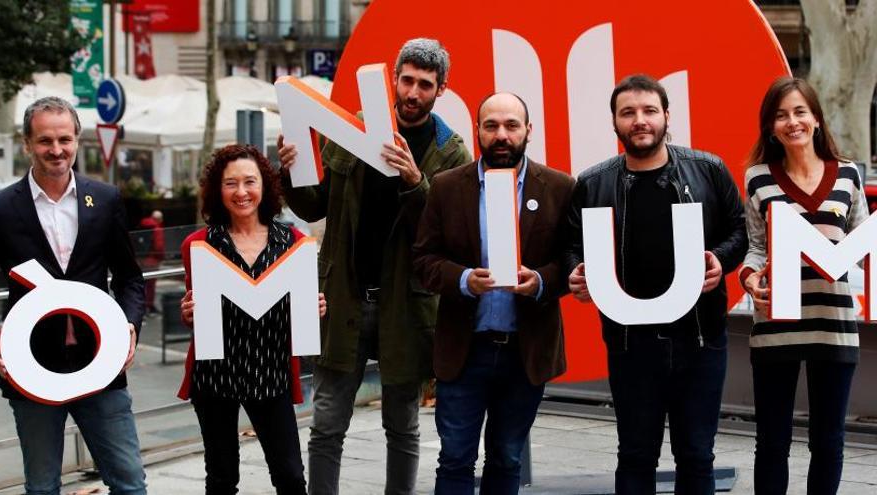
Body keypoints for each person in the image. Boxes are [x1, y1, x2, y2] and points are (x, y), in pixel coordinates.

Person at [277, 38, 471, 494]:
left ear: (440, 90)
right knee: (327, 423)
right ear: (394, 81)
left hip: (408, 308)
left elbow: (451, 234)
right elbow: (312, 207)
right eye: (407, 80)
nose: (413, 92)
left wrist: (414, 181)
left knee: (402, 425)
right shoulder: (354, 128)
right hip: (344, 296)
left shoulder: (451, 152)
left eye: (425, 84)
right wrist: (288, 171)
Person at [564, 75, 748, 494]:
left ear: (667, 116)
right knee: (635, 456)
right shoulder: (593, 183)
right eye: (628, 113)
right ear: (615, 123)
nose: (639, 120)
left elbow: (739, 232)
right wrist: (576, 269)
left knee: (697, 456)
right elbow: (573, 246)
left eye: (649, 111)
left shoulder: (708, 169)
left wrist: (721, 260)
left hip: (700, 341)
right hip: (631, 344)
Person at [413, 92, 575, 494]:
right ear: (478, 130)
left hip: (526, 350)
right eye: (491, 126)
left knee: (507, 458)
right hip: (465, 351)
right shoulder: (447, 187)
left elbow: (572, 262)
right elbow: (423, 260)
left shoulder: (559, 187)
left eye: (511, 125)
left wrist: (539, 281)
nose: (501, 135)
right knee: (454, 459)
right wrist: (464, 279)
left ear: (528, 131)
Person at [0, 96, 146, 494]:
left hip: (101, 364)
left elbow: (130, 278)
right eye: (45, 140)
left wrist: (130, 326)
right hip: (31, 371)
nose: (56, 150)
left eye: (65, 138)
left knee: (130, 483)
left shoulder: (106, 199)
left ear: (78, 139)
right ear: (27, 144)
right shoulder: (2, 208)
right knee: (43, 487)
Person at [740, 77, 867, 495]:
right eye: (780, 115)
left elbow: (865, 242)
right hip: (776, 325)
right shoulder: (758, 178)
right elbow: (756, 247)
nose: (791, 121)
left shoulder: (848, 175)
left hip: (833, 326)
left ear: (815, 118)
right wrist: (749, 276)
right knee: (772, 444)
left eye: (799, 111)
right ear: (770, 127)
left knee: (829, 443)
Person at [178, 144, 326, 494]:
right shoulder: (198, 244)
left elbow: (299, 312)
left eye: (250, 181)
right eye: (231, 183)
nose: (241, 192)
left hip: (269, 372)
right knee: (222, 477)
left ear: (265, 186)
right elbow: (198, 310)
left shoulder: (292, 242)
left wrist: (314, 308)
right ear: (218, 189)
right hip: (216, 377)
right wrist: (188, 313)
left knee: (290, 476)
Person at [138, 209, 164, 313]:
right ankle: (149, 305)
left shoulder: (141, 226)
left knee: (142, 283)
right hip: (152, 260)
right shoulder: (157, 229)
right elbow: (159, 246)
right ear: (159, 219)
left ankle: (140, 305)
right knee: (151, 284)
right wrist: (161, 257)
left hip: (140, 259)